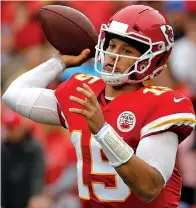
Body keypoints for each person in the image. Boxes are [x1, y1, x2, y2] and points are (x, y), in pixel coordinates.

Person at [2, 4, 196, 208]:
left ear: (151, 60)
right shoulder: (83, 91)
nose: (113, 55)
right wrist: (58, 62)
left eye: (126, 50)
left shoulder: (161, 103)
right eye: (112, 46)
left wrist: (103, 132)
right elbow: (14, 95)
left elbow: (149, 187)